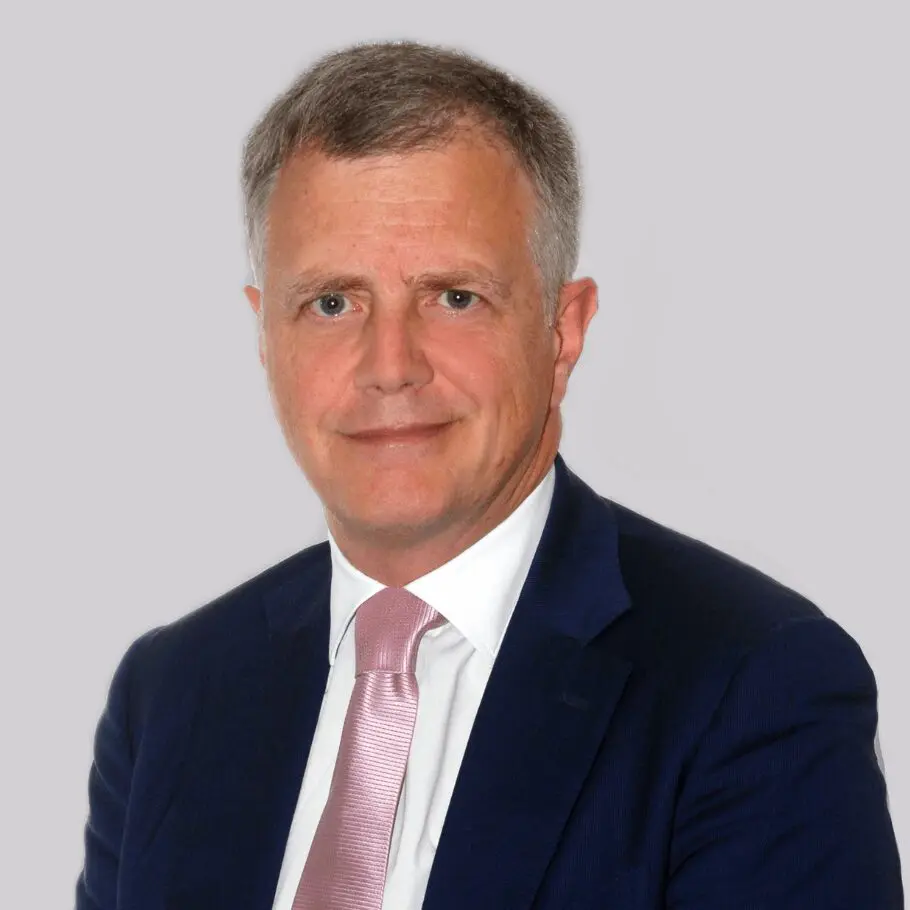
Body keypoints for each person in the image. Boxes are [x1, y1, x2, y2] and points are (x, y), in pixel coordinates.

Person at [75, 40, 903, 910]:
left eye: (454, 297)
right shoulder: (170, 694)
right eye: (331, 303)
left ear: (562, 330)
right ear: (265, 336)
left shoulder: (751, 683)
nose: (389, 365)